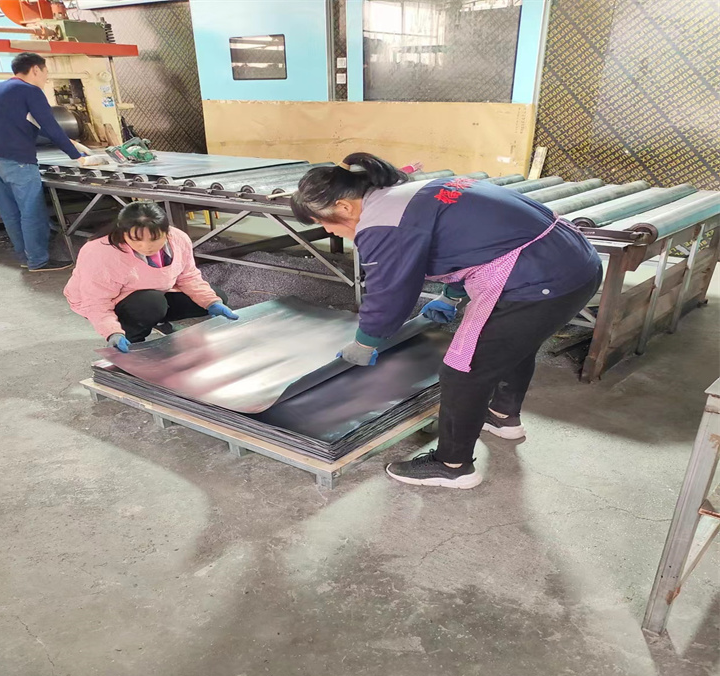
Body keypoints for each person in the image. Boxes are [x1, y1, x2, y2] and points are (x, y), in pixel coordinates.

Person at [291, 153, 603, 490]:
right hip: (572, 263)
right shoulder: (411, 193)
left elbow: (390, 294)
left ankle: (452, 465)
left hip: (537, 279)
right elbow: (468, 245)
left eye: (323, 221)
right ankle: (503, 417)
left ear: (344, 206)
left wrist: (366, 341)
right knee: (512, 345)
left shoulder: (380, 222)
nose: (327, 229)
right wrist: (450, 295)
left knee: (463, 369)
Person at [0, 52, 101, 272]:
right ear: (35, 69)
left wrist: (68, 140)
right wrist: (77, 156)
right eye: (46, 72)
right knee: (31, 211)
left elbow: (25, 124)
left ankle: (25, 257)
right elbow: (49, 125)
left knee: (10, 212)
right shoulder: (30, 91)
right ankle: (38, 261)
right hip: (17, 161)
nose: (46, 77)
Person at [64, 201, 237, 351]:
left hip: (155, 291)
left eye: (154, 239)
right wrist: (112, 331)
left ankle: (156, 319)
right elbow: (96, 301)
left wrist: (211, 302)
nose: (146, 246)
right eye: (136, 240)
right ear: (123, 233)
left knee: (217, 296)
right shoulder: (100, 252)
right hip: (110, 299)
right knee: (150, 304)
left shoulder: (178, 239)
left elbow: (188, 277)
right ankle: (131, 338)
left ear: (167, 232)